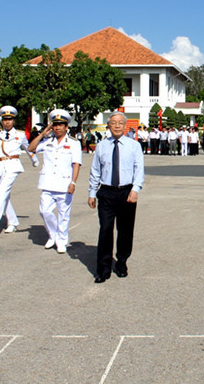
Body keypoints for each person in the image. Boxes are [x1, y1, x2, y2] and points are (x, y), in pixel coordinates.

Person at [88, 112, 144, 283]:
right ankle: (103, 269)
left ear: (125, 125)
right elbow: (95, 171)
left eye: (120, 123)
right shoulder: (102, 146)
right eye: (114, 123)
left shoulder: (134, 146)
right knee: (105, 230)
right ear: (109, 125)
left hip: (126, 193)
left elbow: (139, 170)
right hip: (106, 193)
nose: (117, 126)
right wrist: (92, 192)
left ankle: (121, 262)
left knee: (125, 230)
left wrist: (135, 190)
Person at [28, 109, 82, 254]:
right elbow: (30, 148)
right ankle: (54, 235)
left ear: (66, 127)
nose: (57, 127)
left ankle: (62, 241)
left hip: (64, 184)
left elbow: (76, 164)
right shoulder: (47, 142)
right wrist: (42, 134)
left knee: (64, 215)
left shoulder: (73, 143)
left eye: (61, 125)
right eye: (55, 125)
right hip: (48, 183)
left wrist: (73, 182)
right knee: (44, 211)